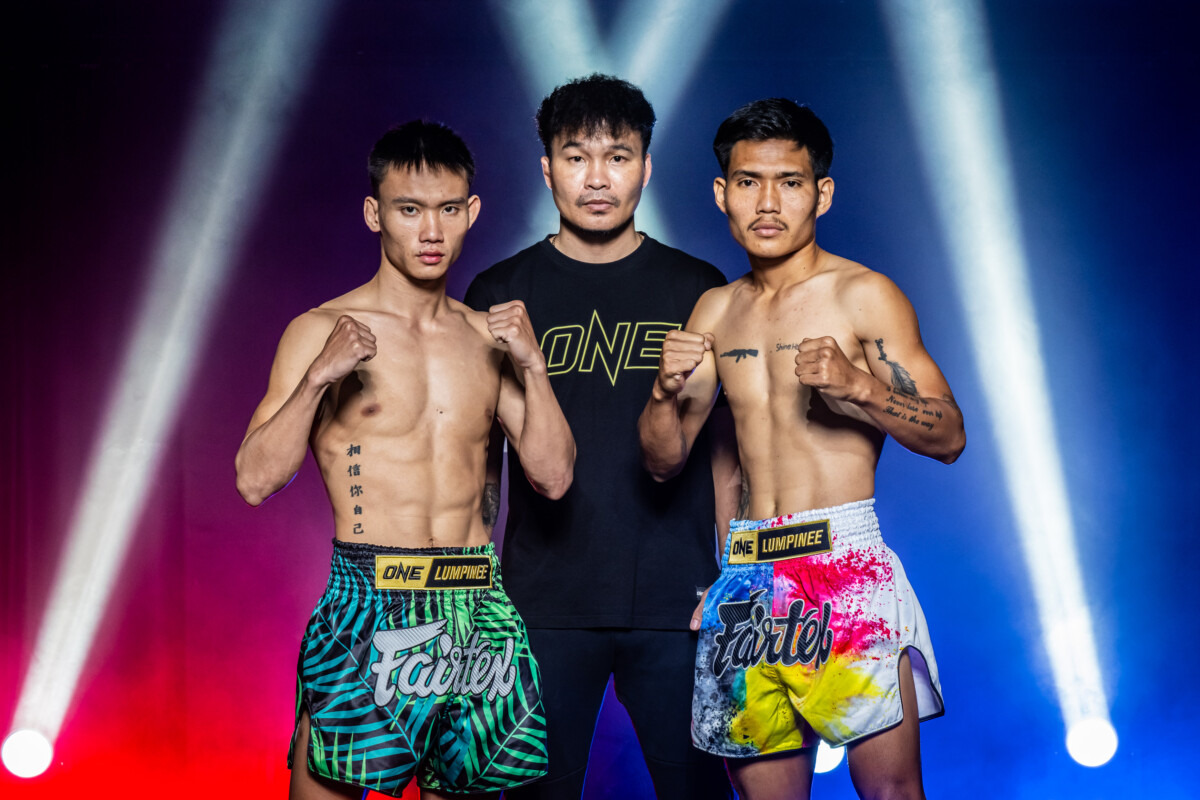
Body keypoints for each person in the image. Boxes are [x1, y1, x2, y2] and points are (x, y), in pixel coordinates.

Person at [235, 120, 575, 800]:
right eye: (409, 210)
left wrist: (534, 367)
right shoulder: (319, 330)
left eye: (448, 209)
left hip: (475, 607)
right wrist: (319, 378)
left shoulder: (486, 338)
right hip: (368, 601)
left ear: (471, 212)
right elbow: (254, 480)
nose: (431, 231)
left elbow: (554, 476)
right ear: (375, 214)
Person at [638, 98, 966, 800]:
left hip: (843, 562)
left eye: (789, 182)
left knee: (892, 793)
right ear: (722, 193)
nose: (767, 202)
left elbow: (948, 435)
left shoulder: (864, 295)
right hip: (748, 578)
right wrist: (663, 394)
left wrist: (861, 387)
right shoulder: (715, 310)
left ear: (822, 192)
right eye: (748, 181)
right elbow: (665, 461)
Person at [463, 74, 734, 799]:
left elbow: (726, 454)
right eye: (576, 157)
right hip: (541, 606)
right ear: (547, 168)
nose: (596, 178)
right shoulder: (498, 293)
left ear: (645, 167)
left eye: (617, 157)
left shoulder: (699, 289)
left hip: (678, 603)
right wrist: (474, 592)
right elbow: (480, 463)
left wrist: (735, 576)